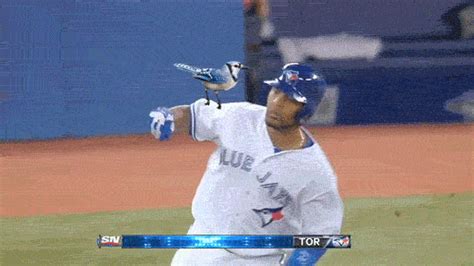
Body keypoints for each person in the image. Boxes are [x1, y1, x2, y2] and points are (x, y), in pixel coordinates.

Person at [149, 63, 344, 265]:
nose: (277, 102)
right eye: (276, 91)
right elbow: (192, 115)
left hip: (256, 261)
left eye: (290, 100)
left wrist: (299, 262)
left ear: (307, 109)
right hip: (198, 247)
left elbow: (322, 233)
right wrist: (169, 117)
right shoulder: (240, 117)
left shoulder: (315, 172)